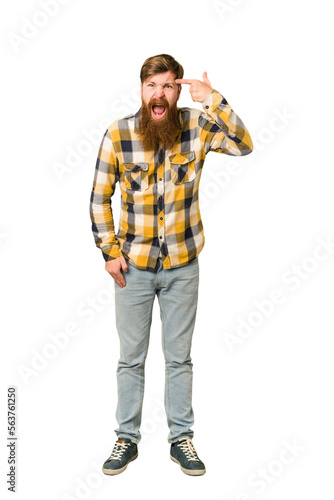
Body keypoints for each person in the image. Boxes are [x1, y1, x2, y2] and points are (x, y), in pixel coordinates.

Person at [89, 54, 253, 476]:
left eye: (167, 85)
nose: (158, 94)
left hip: (183, 265)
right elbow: (98, 198)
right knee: (131, 359)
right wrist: (110, 253)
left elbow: (244, 144)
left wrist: (213, 99)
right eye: (151, 86)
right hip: (134, 269)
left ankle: (182, 439)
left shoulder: (198, 126)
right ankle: (126, 439)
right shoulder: (118, 133)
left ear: (178, 91)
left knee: (179, 358)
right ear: (141, 91)